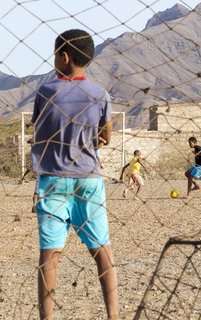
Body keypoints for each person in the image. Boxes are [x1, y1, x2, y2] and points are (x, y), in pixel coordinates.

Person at [31, 29, 118, 319]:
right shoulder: (100, 94)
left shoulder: (45, 92)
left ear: (63, 57)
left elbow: (41, 137)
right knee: (102, 252)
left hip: (53, 180)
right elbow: (107, 137)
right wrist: (96, 139)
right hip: (88, 179)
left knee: (50, 256)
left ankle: (47, 316)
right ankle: (113, 315)